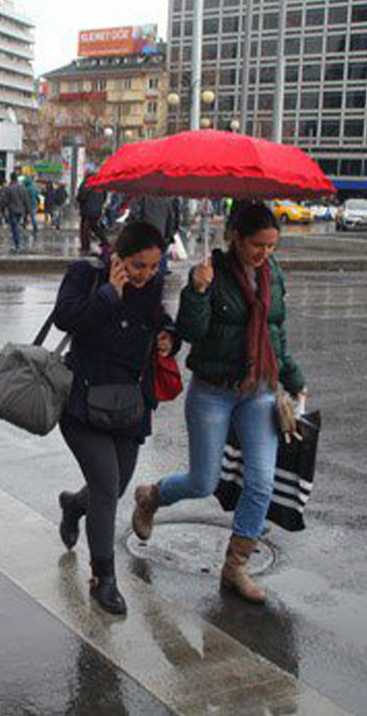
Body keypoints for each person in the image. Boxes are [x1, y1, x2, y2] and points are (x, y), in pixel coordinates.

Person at [130, 201, 306, 605]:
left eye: (272, 246)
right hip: (213, 391)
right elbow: (191, 333)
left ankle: (235, 566)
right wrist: (198, 290)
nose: (265, 254)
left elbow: (276, 334)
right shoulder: (210, 273)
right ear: (235, 238)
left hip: (259, 389)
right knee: (203, 481)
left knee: (260, 480)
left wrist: (295, 380)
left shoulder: (272, 276)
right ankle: (151, 497)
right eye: (258, 245)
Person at [53, 222, 178, 615]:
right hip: (83, 402)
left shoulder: (152, 285)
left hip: (129, 404)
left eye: (154, 267)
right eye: (139, 266)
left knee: (115, 485)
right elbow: (64, 317)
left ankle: (74, 505)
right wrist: (109, 294)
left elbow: (159, 319)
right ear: (120, 259)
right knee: (107, 486)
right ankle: (103, 579)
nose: (147, 275)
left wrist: (169, 336)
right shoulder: (87, 274)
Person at [76, 177, 107, 255]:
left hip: (87, 210)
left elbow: (82, 196)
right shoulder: (100, 184)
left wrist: (79, 199)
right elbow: (104, 197)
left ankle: (85, 246)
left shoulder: (86, 184)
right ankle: (104, 241)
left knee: (84, 228)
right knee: (94, 226)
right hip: (97, 210)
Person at [2, 176, 32, 251]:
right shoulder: (23, 188)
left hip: (12, 210)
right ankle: (17, 243)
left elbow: (5, 200)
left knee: (14, 227)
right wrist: (28, 210)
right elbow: (26, 200)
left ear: (11, 179)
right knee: (16, 225)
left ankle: (17, 244)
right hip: (20, 210)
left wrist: (2, 208)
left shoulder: (10, 188)